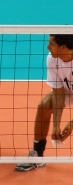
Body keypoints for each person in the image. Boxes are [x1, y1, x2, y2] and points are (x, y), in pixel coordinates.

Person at [15, 34, 73, 171]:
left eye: (51, 44)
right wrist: (56, 125)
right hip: (68, 89)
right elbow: (58, 93)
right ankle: (37, 155)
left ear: (63, 47)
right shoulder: (52, 59)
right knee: (44, 106)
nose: (48, 47)